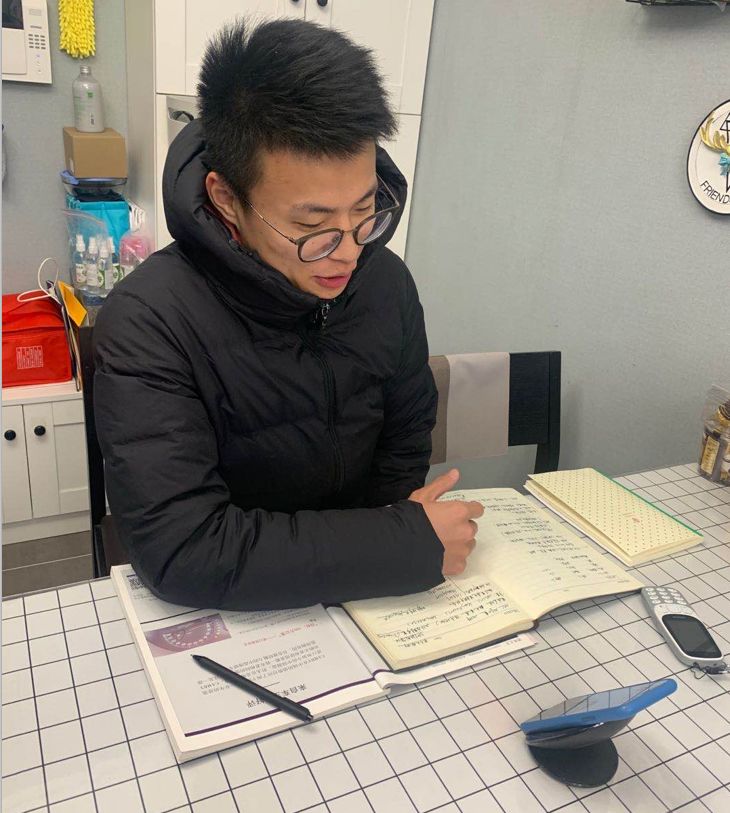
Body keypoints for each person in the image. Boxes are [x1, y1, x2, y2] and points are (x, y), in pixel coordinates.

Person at [94, 18, 482, 610]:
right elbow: (182, 549)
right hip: (239, 612)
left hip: (366, 598)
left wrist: (387, 539)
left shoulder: (385, 281)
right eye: (310, 225)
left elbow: (405, 442)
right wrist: (399, 546)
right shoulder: (150, 320)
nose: (349, 251)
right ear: (227, 199)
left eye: (365, 210)